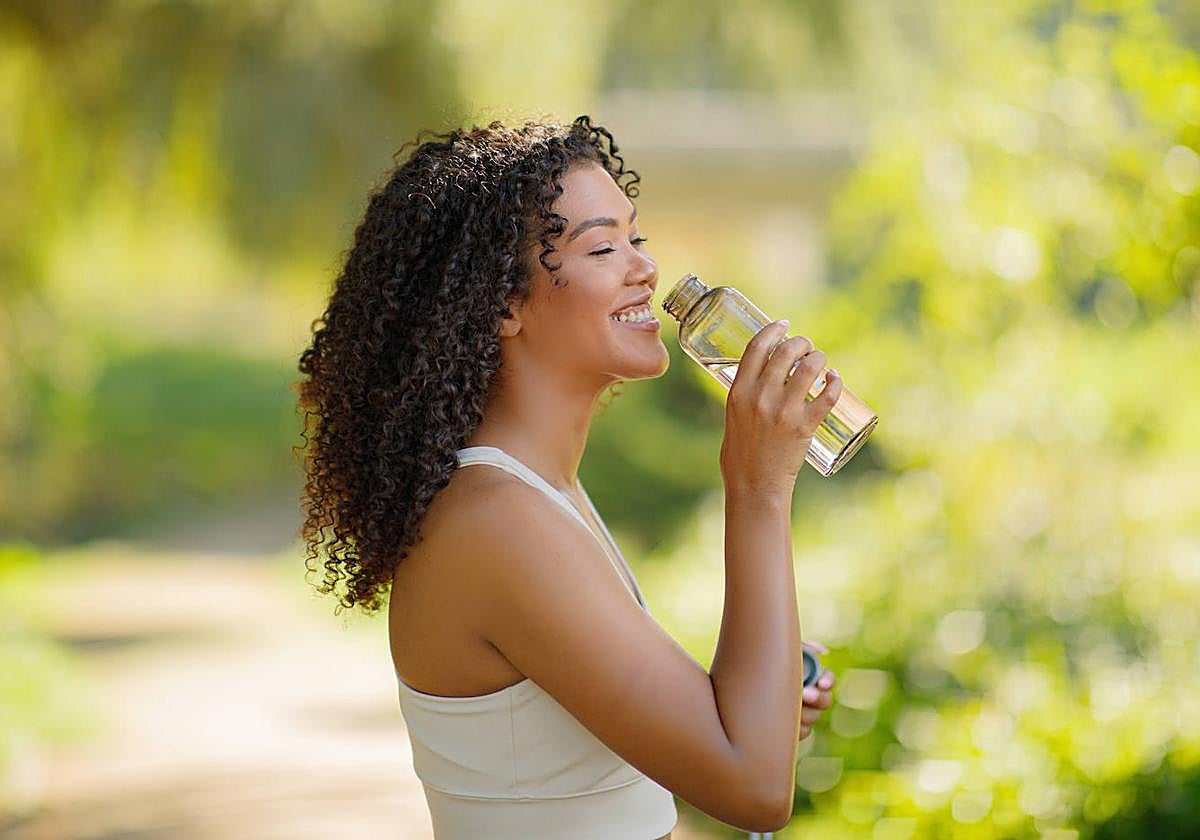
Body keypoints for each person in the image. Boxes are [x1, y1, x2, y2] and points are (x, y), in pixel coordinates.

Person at [296, 115, 839, 839]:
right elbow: (755, 788)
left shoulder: (536, 494)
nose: (645, 268)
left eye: (637, 238)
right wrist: (758, 488)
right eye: (604, 247)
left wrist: (761, 700)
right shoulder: (498, 523)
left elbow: (715, 743)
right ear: (503, 302)